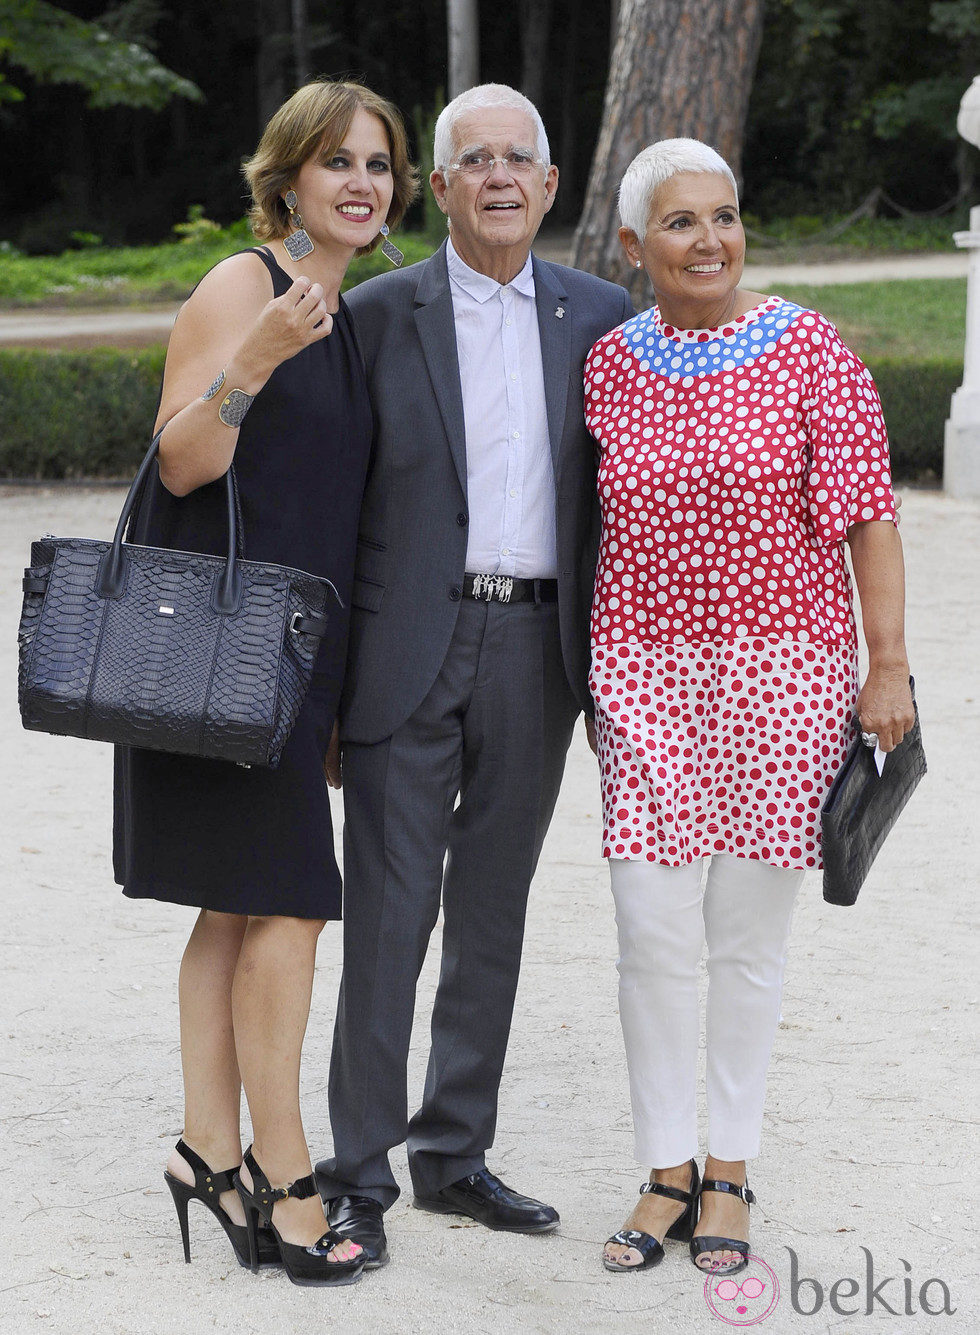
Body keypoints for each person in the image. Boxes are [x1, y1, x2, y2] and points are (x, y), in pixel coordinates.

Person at [314, 84, 633, 1266]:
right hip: (407, 647)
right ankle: (358, 1174)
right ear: (436, 187)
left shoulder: (602, 314)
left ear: (549, 186)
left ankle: (454, 1154)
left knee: (491, 910)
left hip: (540, 652)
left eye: (520, 158)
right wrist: (328, 685)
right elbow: (332, 504)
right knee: (388, 917)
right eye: (472, 158)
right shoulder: (376, 314)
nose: (498, 175)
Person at [585, 138, 914, 1277]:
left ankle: (726, 1166)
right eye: (680, 223)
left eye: (724, 216)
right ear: (634, 245)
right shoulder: (609, 364)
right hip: (639, 672)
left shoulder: (808, 348)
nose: (709, 241)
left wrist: (887, 667)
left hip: (782, 672)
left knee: (743, 941)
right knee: (649, 929)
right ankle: (661, 1164)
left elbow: (868, 511)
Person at [112, 79, 417, 1287]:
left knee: (238, 902)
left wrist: (340, 690)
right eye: (334, 161)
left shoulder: (354, 307)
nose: (359, 182)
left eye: (379, 165)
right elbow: (180, 459)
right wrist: (255, 357)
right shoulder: (247, 287)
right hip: (221, 649)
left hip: (300, 655)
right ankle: (287, 1177)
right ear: (285, 178)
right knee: (289, 899)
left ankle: (204, 1149)